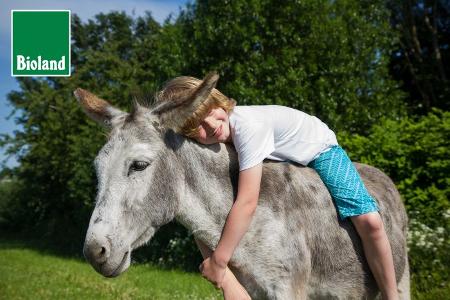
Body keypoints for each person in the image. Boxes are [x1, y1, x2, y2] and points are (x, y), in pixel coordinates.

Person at [156, 74, 399, 300]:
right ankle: (232, 285)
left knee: (370, 221)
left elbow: (247, 203)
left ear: (217, 100)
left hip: (319, 149)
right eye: (196, 125)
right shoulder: (219, 140)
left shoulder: (248, 127)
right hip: (282, 157)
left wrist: (219, 261)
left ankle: (391, 295)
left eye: (209, 111)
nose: (210, 125)